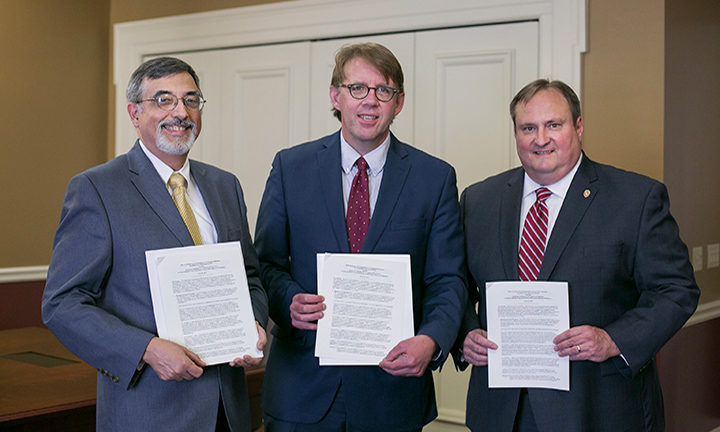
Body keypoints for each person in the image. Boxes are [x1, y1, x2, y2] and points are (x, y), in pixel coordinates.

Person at [455, 78, 699, 431]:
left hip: (597, 406)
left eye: (554, 124)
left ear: (579, 127)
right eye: (528, 128)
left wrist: (613, 339)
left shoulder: (636, 198)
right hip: (502, 409)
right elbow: (456, 287)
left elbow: (677, 291)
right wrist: (466, 333)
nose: (541, 139)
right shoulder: (479, 200)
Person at [42, 57, 268, 432]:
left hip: (228, 409)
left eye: (191, 100)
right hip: (149, 410)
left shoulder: (225, 186)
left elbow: (250, 276)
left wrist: (255, 321)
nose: (180, 112)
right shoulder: (98, 189)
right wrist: (145, 350)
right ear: (134, 113)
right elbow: (61, 304)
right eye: (163, 100)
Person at [254, 42, 467, 431]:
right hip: (302, 391)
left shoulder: (433, 179)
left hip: (391, 393)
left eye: (383, 90)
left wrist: (432, 340)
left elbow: (448, 279)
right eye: (357, 89)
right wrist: (288, 302)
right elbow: (264, 264)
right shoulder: (290, 167)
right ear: (336, 95)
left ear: (398, 102)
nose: (370, 101)